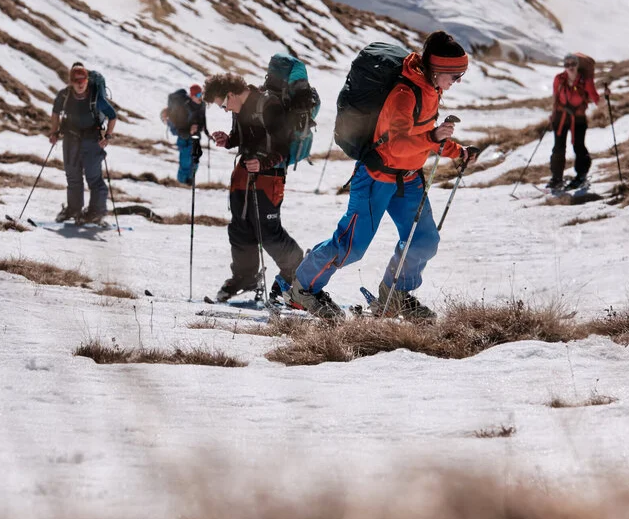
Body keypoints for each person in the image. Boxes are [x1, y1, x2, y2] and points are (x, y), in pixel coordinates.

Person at [286, 31, 478, 319]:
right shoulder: (404, 94)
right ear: (438, 69)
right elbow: (397, 145)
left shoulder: (432, 89)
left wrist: (457, 151)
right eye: (456, 75)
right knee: (351, 247)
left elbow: (424, 135)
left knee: (424, 241)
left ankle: (395, 295)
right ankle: (302, 289)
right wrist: (433, 137)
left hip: (408, 178)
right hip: (377, 176)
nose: (458, 81)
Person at [204, 73, 305, 303]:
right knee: (240, 226)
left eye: (223, 105)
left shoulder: (269, 105)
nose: (225, 110)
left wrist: (264, 163)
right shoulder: (239, 109)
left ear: (231, 94)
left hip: (269, 177)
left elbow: (283, 147)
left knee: (267, 230)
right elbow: (244, 138)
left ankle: (298, 273)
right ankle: (245, 277)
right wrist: (228, 140)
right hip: (244, 174)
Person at [48, 63, 117, 224]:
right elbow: (55, 112)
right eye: (76, 80)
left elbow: (112, 116)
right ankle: (74, 209)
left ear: (87, 80)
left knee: (93, 177)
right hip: (71, 139)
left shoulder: (96, 97)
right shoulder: (64, 95)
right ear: (71, 82)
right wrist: (54, 132)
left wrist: (107, 136)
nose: (80, 84)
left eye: (83, 80)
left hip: (92, 140)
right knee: (73, 176)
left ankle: (96, 212)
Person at [548, 53, 599, 191]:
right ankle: (556, 178)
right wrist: (553, 114)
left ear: (578, 65)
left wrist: (605, 97)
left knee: (579, 146)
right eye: (567, 64)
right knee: (558, 147)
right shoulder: (559, 79)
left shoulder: (585, 81)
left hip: (578, 118)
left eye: (573, 64)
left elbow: (595, 97)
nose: (570, 67)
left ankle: (581, 176)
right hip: (561, 117)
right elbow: (555, 97)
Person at [161, 84, 207, 184]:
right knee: (185, 162)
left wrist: (201, 128)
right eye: (198, 95)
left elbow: (202, 122)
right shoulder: (184, 108)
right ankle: (181, 183)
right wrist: (189, 131)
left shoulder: (202, 106)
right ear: (192, 96)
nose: (200, 97)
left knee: (195, 161)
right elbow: (179, 128)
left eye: (201, 94)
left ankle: (190, 181)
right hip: (184, 138)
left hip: (196, 138)